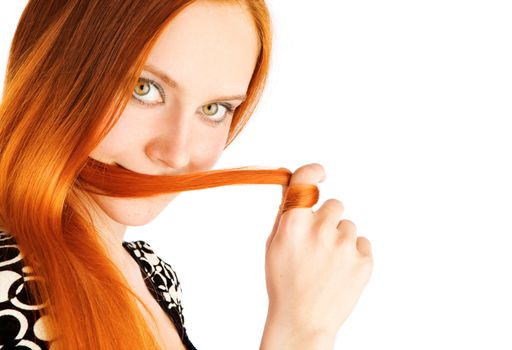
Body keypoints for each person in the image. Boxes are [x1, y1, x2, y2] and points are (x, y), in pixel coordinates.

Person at [0, 0, 373, 349]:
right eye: (143, 88)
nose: (177, 153)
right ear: (54, 72)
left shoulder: (150, 274)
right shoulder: (7, 289)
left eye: (213, 109)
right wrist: (300, 330)